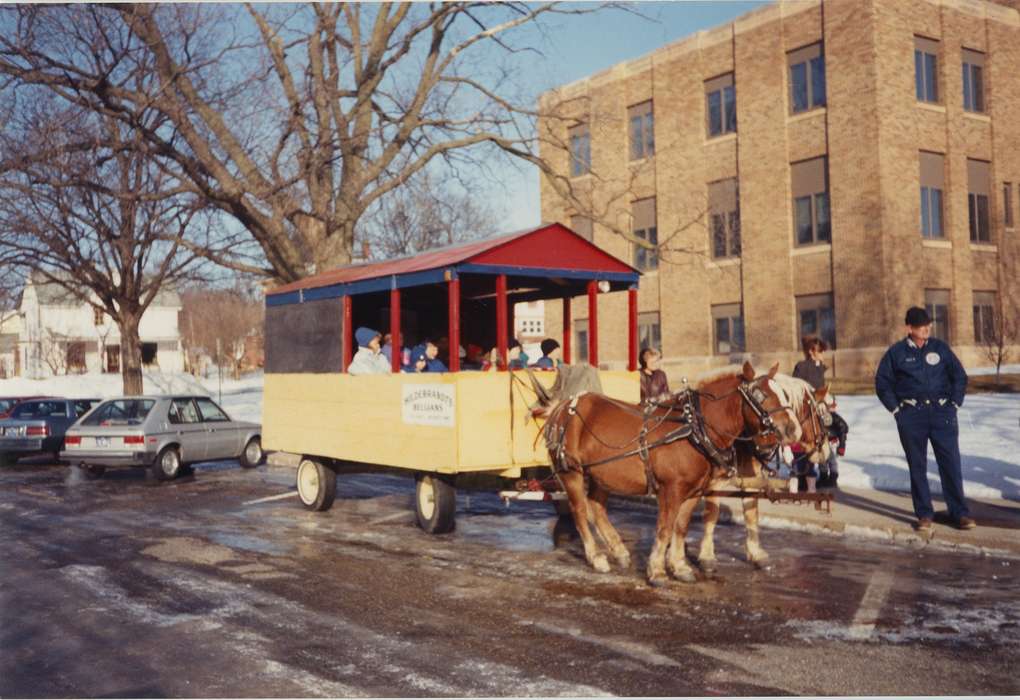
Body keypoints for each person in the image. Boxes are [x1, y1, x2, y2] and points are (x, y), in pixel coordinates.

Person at [875, 306, 974, 532]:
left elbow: (959, 376)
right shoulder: (896, 353)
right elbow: (882, 383)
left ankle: (959, 513)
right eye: (921, 326)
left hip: (942, 414)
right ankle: (924, 514)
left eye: (928, 324)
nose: (927, 328)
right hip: (912, 416)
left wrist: (954, 403)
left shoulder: (940, 348)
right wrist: (897, 411)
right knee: (917, 466)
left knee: (950, 463)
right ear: (909, 328)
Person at [793, 335, 841, 490]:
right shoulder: (802, 367)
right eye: (820, 351)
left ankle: (830, 474)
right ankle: (805, 475)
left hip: (821, 409)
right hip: (807, 410)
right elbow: (797, 387)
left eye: (823, 351)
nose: (822, 354)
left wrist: (828, 400)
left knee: (824, 440)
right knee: (807, 442)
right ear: (811, 351)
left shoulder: (820, 366)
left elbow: (822, 387)